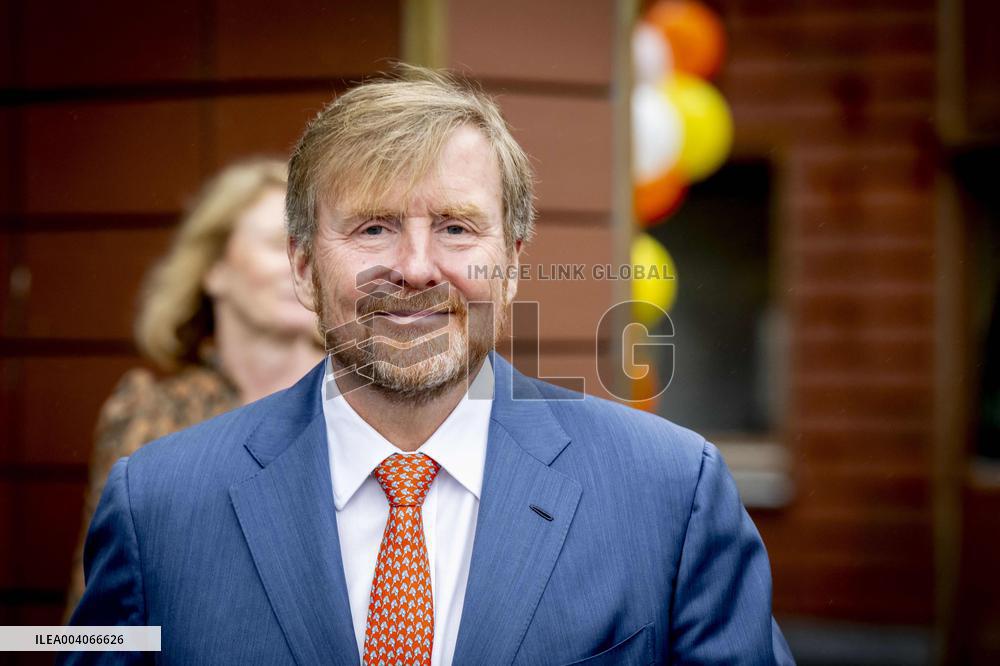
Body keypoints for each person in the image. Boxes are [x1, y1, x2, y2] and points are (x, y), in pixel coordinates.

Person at [64, 67, 795, 665]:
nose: (415, 268)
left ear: (511, 265)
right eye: (373, 227)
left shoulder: (670, 493)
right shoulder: (157, 503)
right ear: (304, 268)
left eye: (455, 227)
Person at [64, 158, 323, 617]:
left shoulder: (363, 402)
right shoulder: (149, 413)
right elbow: (99, 622)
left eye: (313, 245)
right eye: (275, 244)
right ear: (213, 270)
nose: (301, 263)